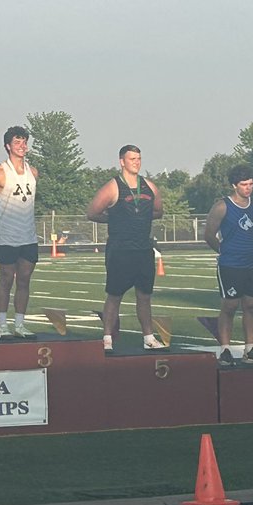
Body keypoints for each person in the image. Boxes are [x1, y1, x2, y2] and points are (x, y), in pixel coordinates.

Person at [86, 144, 166, 353]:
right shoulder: (113, 186)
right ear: (122, 161)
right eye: (132, 159)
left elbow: (159, 211)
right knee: (114, 295)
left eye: (139, 158)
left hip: (143, 249)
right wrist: (115, 219)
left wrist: (140, 217)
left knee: (144, 295)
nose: (136, 162)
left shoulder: (149, 186)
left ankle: (148, 337)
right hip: (120, 250)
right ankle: (107, 339)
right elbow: (92, 212)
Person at [203, 165, 253, 367]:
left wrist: (249, 248)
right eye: (243, 184)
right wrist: (224, 251)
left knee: (251, 305)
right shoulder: (222, 206)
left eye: (250, 184)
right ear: (234, 185)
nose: (248, 188)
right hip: (230, 264)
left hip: (252, 263)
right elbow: (209, 235)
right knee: (230, 305)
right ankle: (225, 349)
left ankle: (250, 349)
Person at [0, 125, 39, 339]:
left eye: (24, 141)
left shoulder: (33, 172)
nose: (22, 145)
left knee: (24, 280)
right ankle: (2, 324)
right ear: (8, 146)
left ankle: (20, 324)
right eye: (17, 142)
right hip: (7, 236)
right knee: (6, 278)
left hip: (28, 236)